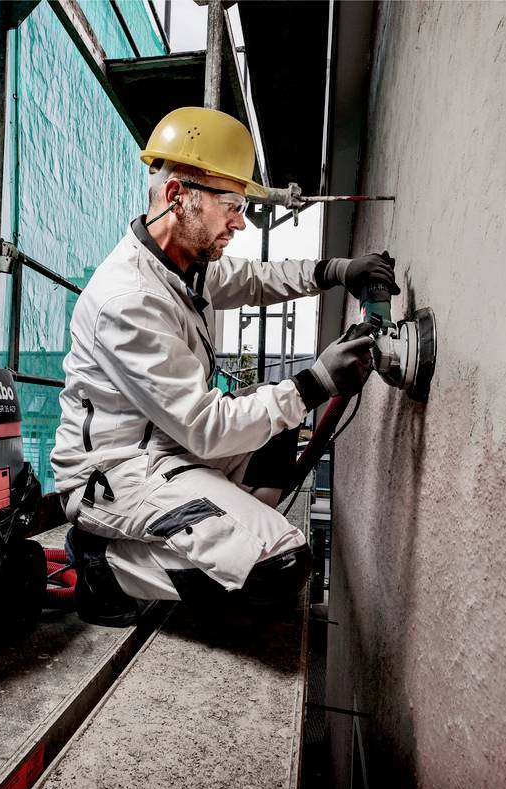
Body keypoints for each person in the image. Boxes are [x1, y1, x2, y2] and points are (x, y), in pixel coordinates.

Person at [51, 107, 398, 625]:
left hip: (171, 450)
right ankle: (107, 567)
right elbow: (207, 428)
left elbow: (255, 278)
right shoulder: (128, 300)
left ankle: (211, 535)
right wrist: (317, 381)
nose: (239, 220)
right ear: (177, 197)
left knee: (279, 438)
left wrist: (336, 270)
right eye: (231, 204)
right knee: (279, 566)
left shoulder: (185, 264)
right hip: (119, 476)